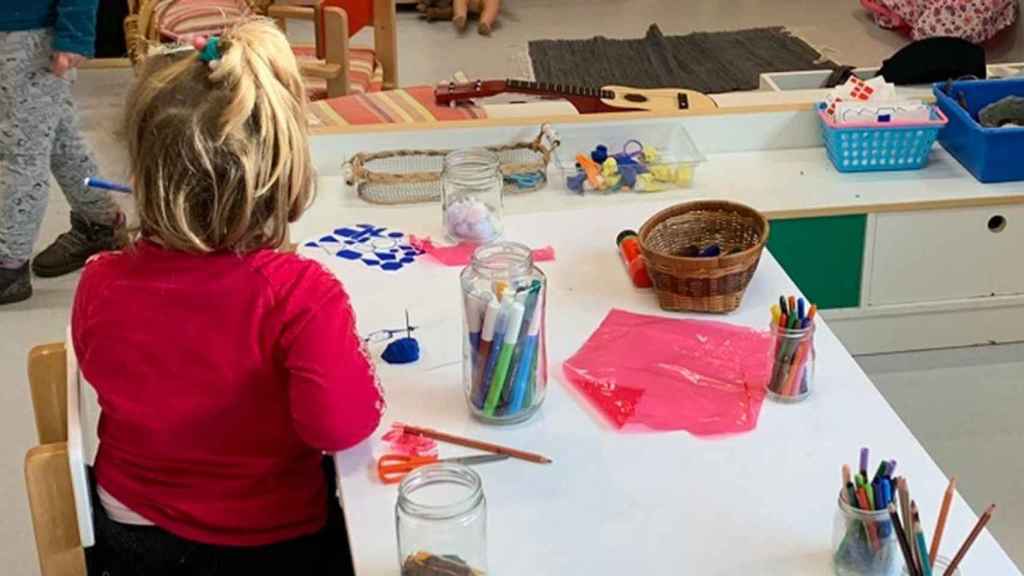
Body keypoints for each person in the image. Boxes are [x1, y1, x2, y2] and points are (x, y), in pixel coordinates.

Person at [71, 20, 384, 574]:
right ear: (282, 175)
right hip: (269, 543)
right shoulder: (302, 294)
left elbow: (121, 375)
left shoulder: (99, 279)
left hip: (127, 538)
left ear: (142, 173)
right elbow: (340, 429)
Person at [0, 0, 123, 305]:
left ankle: (9, 265)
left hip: (32, 37)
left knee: (21, 151)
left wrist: (74, 35)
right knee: (57, 141)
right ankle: (101, 222)